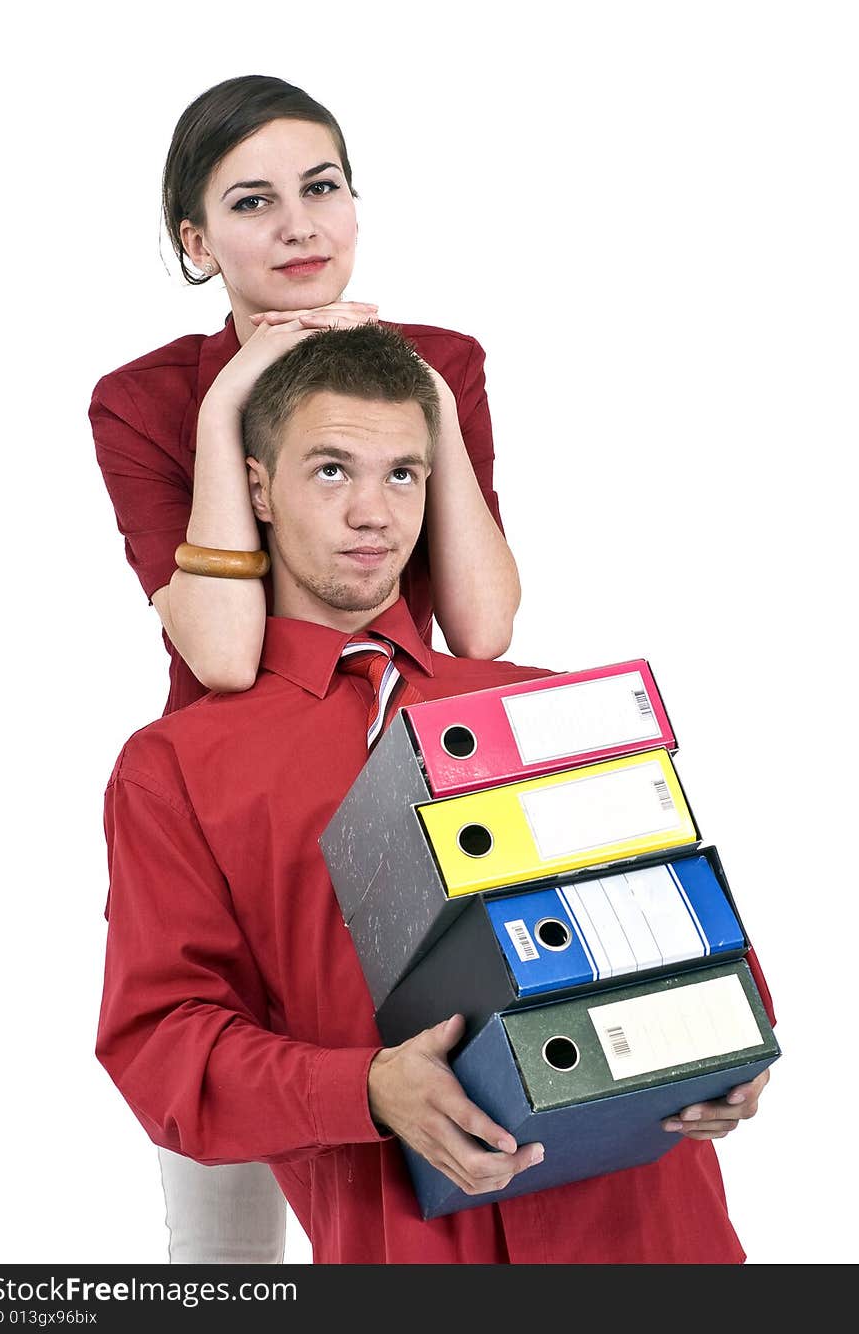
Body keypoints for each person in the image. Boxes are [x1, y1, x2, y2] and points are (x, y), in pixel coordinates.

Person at [96, 324, 773, 1266]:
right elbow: (165, 1051)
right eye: (332, 470)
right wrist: (364, 1087)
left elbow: (673, 914)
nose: (374, 512)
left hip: (664, 1239)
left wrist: (730, 1037)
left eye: (403, 474)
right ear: (258, 487)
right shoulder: (176, 767)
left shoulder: (547, 704)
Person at [88, 74, 521, 1262]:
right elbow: (223, 651)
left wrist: (418, 387)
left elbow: (478, 625)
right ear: (195, 239)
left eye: (321, 188)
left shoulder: (436, 363)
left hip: (417, 794)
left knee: (435, 1185)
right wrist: (234, 395)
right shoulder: (144, 400)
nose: (298, 225)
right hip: (232, 819)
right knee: (222, 1251)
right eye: (252, 201)